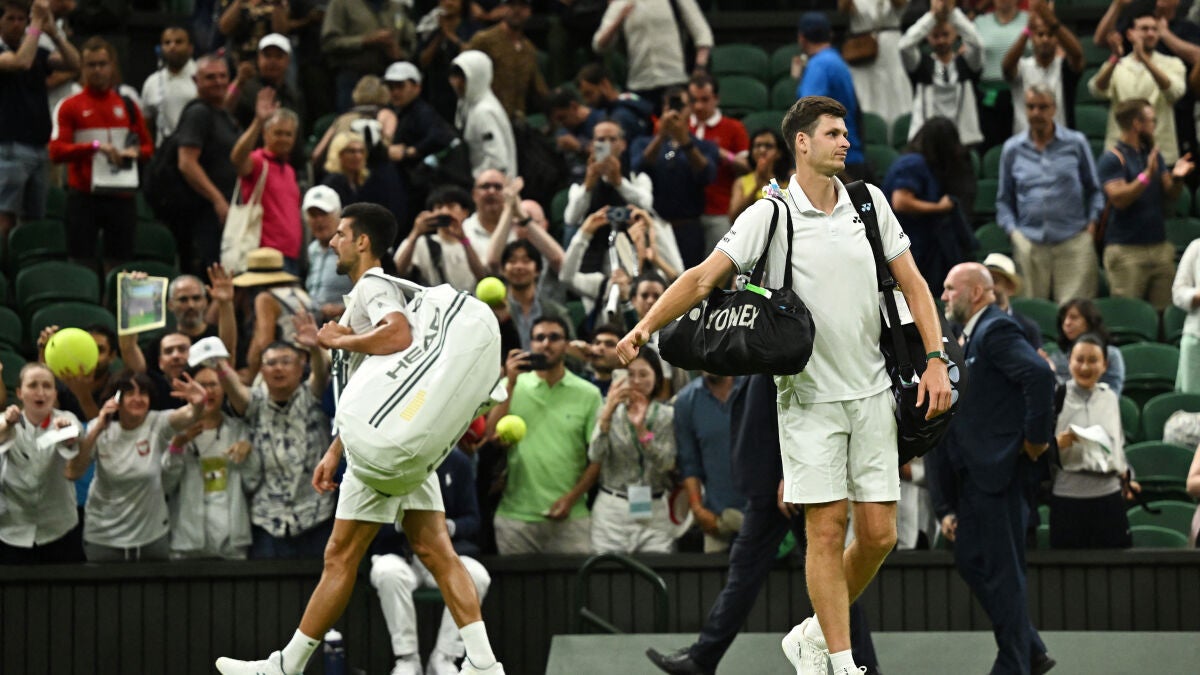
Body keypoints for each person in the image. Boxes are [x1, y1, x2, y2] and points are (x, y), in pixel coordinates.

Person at [617, 95, 953, 675]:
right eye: (833, 133)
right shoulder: (768, 215)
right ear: (802, 141)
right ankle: (841, 662)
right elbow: (701, 279)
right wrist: (644, 326)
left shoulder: (870, 202)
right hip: (806, 401)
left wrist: (936, 358)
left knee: (880, 537)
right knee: (826, 531)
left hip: (875, 392)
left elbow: (915, 284)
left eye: (845, 133)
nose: (845, 141)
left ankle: (810, 635)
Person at [215, 202, 505, 675]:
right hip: (401, 443)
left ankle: (285, 667)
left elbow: (397, 336)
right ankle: (486, 665)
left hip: (383, 451)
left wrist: (338, 340)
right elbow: (375, 387)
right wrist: (335, 450)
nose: (332, 241)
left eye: (341, 234)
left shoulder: (374, 286)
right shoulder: (367, 293)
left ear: (362, 241)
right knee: (436, 551)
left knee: (340, 556)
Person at [646, 375, 881, 675]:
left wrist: (789, 473)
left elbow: (799, 408)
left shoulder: (782, 352)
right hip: (771, 485)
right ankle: (703, 658)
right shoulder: (744, 369)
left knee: (818, 574)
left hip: (785, 485)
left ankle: (702, 659)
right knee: (819, 573)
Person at [935, 262, 1057, 675]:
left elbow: (1040, 375)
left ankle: (1014, 663)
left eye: (951, 289)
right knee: (970, 558)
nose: (944, 296)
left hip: (1001, 471)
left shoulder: (996, 329)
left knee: (1004, 571)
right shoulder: (972, 335)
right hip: (977, 474)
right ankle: (1031, 649)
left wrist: (1036, 439)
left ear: (976, 292)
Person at [369, 446, 491, 675]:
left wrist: (447, 528)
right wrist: (406, 524)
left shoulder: (458, 462)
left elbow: (473, 519)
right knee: (387, 572)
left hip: (444, 556)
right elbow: (371, 521)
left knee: (477, 576)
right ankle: (407, 659)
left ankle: (444, 657)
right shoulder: (386, 462)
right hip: (399, 554)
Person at [489, 315, 602, 554]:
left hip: (572, 517)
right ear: (530, 344)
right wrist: (510, 382)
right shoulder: (512, 386)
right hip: (515, 518)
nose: (546, 344)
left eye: (554, 337)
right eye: (539, 338)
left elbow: (597, 458)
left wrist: (571, 499)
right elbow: (489, 434)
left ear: (567, 345)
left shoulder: (589, 394)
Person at [68, 370, 208, 562]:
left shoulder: (157, 423)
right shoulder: (98, 428)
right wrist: (98, 426)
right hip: (104, 536)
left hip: (151, 536)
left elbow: (190, 414)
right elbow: (73, 472)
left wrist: (199, 403)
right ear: (116, 399)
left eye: (143, 393)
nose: (137, 398)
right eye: (129, 393)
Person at [48, 36, 154, 273]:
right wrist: (94, 147)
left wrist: (134, 153)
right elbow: (56, 151)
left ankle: (113, 297)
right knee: (80, 263)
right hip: (84, 196)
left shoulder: (127, 105)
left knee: (120, 265)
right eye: (91, 65)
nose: (97, 70)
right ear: (82, 68)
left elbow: (148, 148)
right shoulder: (70, 106)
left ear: (112, 66)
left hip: (121, 195)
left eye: (102, 64)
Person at [997, 85, 1104, 303]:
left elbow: (1094, 190)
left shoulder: (1076, 143)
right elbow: (1003, 201)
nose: (1036, 113)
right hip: (1030, 243)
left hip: (1073, 241)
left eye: (1043, 107)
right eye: (1031, 107)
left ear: (1054, 108)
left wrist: (1092, 226)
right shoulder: (1012, 149)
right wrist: (1014, 233)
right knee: (1033, 313)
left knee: (1075, 312)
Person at [1097, 98, 1193, 310]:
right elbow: (1119, 199)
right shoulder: (1113, 159)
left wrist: (1178, 177)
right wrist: (1146, 176)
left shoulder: (1153, 155)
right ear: (1136, 124)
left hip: (1159, 247)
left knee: (1165, 312)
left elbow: (1171, 193)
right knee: (1129, 313)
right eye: (1152, 121)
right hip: (1126, 251)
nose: (1154, 126)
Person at [161, 363, 258, 560]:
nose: (208, 391)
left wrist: (249, 453)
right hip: (187, 543)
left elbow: (253, 482)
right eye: (201, 385)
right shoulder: (173, 430)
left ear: (225, 389)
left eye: (214, 384)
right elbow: (165, 485)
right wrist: (177, 446)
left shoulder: (239, 430)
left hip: (232, 542)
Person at [0, 0, 79, 239]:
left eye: (21, 19)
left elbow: (74, 63)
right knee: (5, 217)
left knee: (35, 219)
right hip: (9, 147)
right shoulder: (4, 53)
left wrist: (54, 33)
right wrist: (36, 22)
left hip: (39, 147)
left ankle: (26, 259)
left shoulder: (38, 52)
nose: (17, 24)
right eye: (10, 19)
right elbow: (21, 62)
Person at [586, 347, 677, 553]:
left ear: (656, 377)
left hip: (654, 508)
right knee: (608, 569)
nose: (636, 381)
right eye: (630, 374)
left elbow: (667, 463)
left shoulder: (666, 416)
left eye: (643, 374)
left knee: (657, 568)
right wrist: (607, 414)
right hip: (613, 509)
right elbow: (595, 455)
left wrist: (642, 430)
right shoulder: (608, 413)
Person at [1051, 333, 1133, 549]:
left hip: (1108, 497)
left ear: (1104, 365)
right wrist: (1057, 443)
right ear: (1069, 362)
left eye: (1093, 360)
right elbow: (1041, 448)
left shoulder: (1110, 398)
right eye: (1079, 360)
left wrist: (1126, 474)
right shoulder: (1056, 396)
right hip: (1067, 498)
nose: (1085, 367)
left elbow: (1117, 445)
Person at [0, 363, 85, 564]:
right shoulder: (6, 421)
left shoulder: (67, 419)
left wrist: (66, 434)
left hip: (59, 530)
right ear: (19, 393)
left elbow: (75, 436)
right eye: (33, 385)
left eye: (47, 386)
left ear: (55, 393)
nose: (41, 393)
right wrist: (8, 424)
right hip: (12, 531)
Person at [883, 116, 976, 297]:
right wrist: (939, 208)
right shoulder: (913, 163)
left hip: (920, 246)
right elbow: (900, 201)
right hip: (908, 247)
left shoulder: (925, 164)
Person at [1088, 2, 1187, 166]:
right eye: (1144, 29)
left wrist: (1145, 60)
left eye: (1154, 29)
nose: (1150, 33)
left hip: (1161, 153)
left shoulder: (1173, 64)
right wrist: (1114, 58)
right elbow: (1096, 90)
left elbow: (1175, 92)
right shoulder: (1117, 65)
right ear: (1130, 34)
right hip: (1121, 154)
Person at [631, 87, 718, 268]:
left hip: (688, 228)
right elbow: (638, 169)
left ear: (690, 109)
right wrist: (661, 136)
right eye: (670, 105)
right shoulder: (643, 143)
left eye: (680, 105)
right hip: (655, 227)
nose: (674, 111)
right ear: (663, 109)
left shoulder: (704, 146)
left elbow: (707, 175)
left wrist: (685, 141)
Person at [172, 55, 242, 276]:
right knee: (210, 273)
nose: (218, 82)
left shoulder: (222, 113)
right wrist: (217, 199)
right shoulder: (198, 113)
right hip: (203, 214)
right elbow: (186, 162)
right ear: (196, 80)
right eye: (211, 77)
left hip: (223, 211)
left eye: (223, 76)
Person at [230, 88, 303, 272]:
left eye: (288, 134)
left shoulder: (289, 171)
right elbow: (237, 159)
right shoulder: (257, 161)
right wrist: (258, 121)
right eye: (278, 133)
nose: (284, 139)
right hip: (264, 257)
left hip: (291, 256)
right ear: (265, 133)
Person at [591, 0, 712, 109]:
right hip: (639, 85)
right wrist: (618, 20)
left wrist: (700, 67)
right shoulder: (620, 3)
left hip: (676, 80)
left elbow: (702, 33)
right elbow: (598, 46)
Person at [674, 372, 744, 553]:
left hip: (764, 516)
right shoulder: (685, 401)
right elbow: (689, 463)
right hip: (716, 521)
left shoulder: (754, 389)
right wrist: (698, 510)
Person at [898, 0, 984, 147]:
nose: (941, 40)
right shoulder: (923, 63)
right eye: (935, 36)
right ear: (927, 36)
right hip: (926, 141)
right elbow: (904, 46)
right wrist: (932, 16)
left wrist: (953, 13)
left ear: (955, 34)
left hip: (962, 140)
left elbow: (978, 44)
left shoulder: (966, 62)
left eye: (945, 34)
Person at [795, 12, 868, 179]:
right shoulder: (836, 61)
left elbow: (807, 111)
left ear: (802, 38)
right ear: (830, 35)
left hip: (836, 159)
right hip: (849, 152)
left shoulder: (819, 65)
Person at [687, 73, 749, 252]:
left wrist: (721, 153)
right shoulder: (680, 127)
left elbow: (746, 167)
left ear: (716, 99)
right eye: (694, 100)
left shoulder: (734, 128)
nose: (698, 106)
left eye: (705, 99)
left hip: (720, 212)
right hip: (687, 215)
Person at [1000, 1, 1084, 134]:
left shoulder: (1064, 67)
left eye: (1050, 35)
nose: (1045, 39)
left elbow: (1077, 55)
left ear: (1057, 39)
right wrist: (1027, 30)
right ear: (1032, 38)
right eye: (1040, 34)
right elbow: (1006, 66)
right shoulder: (1022, 66)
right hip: (1025, 141)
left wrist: (1053, 22)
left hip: (1061, 141)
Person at [226, 33, 306, 169]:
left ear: (288, 60)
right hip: (252, 165)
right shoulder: (247, 88)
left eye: (278, 56)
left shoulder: (294, 94)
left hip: (287, 168)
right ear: (258, 58)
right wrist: (239, 81)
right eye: (267, 56)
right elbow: (224, 110)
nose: (272, 61)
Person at [320, 0, 415, 113]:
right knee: (352, 120)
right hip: (352, 78)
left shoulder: (396, 7)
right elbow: (329, 42)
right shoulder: (341, 3)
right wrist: (366, 40)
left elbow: (411, 46)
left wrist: (397, 52)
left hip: (388, 81)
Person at [393, 184, 489, 291]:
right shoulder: (421, 242)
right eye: (439, 207)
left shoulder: (475, 240)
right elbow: (397, 272)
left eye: (451, 206)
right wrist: (415, 234)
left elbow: (483, 277)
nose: (445, 212)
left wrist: (463, 240)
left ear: (465, 212)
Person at [463, 0, 546, 120]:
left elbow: (539, 89)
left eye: (522, 6)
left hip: (515, 120)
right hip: (486, 117)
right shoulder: (484, 40)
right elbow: (461, 72)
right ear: (502, 9)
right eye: (512, 5)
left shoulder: (528, 49)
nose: (517, 10)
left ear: (529, 12)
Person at [840, 0, 913, 127]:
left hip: (890, 51)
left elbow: (900, 3)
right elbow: (844, 8)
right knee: (863, 97)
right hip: (862, 50)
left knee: (894, 97)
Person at [972, 0, 1028, 152]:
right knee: (988, 148)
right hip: (987, 97)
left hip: (1021, 93)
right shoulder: (980, 22)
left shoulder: (1029, 20)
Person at [451, 50, 517, 177]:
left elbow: (497, 161)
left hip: (493, 184)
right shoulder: (468, 104)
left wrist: (474, 178)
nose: (456, 83)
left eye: (463, 78)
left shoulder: (484, 112)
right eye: (454, 77)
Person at [414, 0, 481, 123]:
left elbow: (471, 54)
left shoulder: (471, 27)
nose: (449, 3)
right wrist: (440, 35)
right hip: (436, 95)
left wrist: (450, 35)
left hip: (462, 96)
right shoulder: (430, 29)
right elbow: (423, 61)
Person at [1050, 298, 1126, 395]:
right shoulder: (1057, 358)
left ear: (1089, 321)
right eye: (1064, 319)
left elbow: (1112, 393)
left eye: (1074, 318)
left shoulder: (1111, 355)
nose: (1067, 323)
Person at [140, 25, 197, 146]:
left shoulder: (203, 76)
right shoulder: (152, 82)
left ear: (190, 48)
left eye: (178, 42)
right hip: (164, 151)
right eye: (167, 43)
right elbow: (146, 124)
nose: (172, 46)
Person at [303, 185, 352, 322]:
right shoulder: (311, 250)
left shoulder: (351, 248)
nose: (319, 220)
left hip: (346, 323)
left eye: (324, 214)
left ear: (339, 215)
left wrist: (343, 308)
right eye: (313, 215)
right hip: (314, 323)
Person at [728, 127, 791, 222]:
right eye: (757, 145)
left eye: (768, 146)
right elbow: (733, 217)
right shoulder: (741, 182)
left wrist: (770, 179)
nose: (762, 150)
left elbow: (788, 208)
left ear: (779, 153)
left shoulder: (789, 178)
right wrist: (756, 187)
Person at [983, 252, 1043, 349]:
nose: (988, 287)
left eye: (994, 280)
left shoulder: (1028, 328)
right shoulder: (964, 323)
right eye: (984, 281)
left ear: (1010, 288)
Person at [1173, 237, 1200, 393]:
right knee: (1191, 402)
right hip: (1196, 338)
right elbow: (1178, 293)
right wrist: (1197, 296)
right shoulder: (1196, 247)